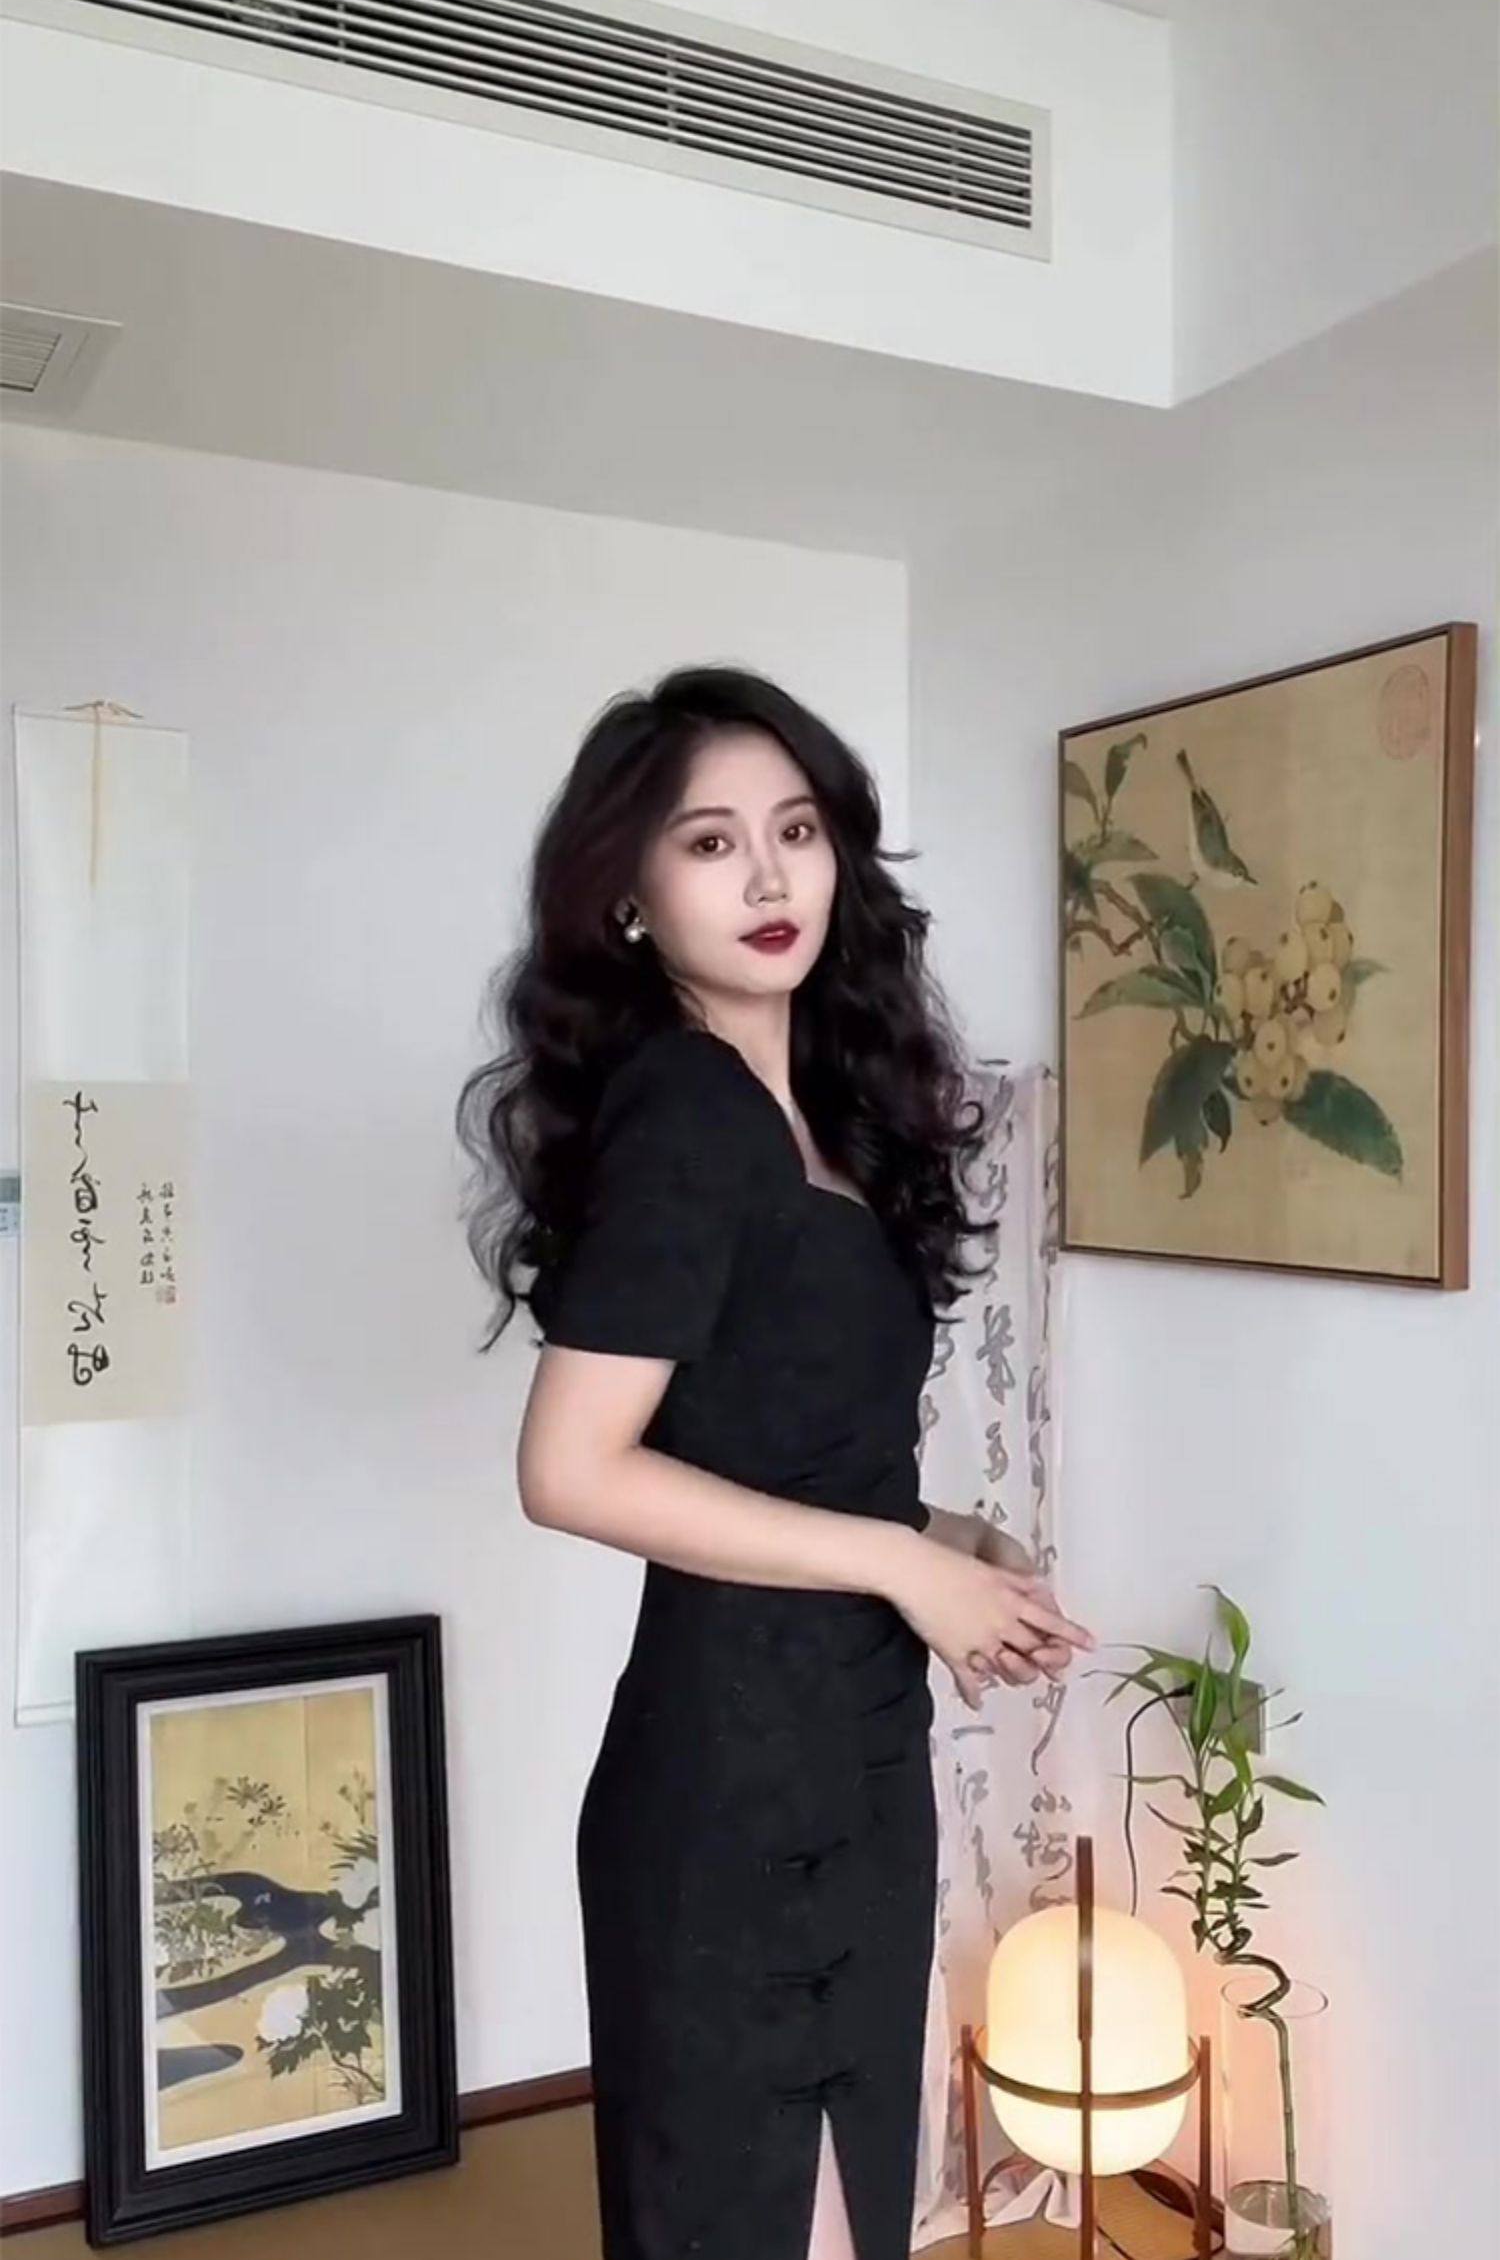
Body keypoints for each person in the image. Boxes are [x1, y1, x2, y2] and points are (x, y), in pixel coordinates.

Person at [455, 664, 1095, 2260]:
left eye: (795, 830)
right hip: (736, 1791)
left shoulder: (810, 1106)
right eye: (710, 841)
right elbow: (572, 1467)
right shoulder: (687, 1110)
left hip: (850, 1762)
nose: (766, 877)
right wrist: (899, 1562)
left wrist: (946, 1535)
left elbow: (770, 1436)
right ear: (628, 895)